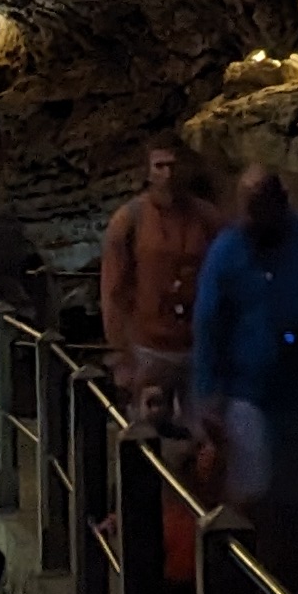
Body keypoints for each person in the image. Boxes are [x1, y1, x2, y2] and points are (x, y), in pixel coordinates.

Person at [191, 164, 298, 593]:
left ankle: (292, 586)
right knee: (251, 492)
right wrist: (208, 391)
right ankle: (249, 582)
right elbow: (210, 322)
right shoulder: (228, 250)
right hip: (248, 391)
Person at [100, 140, 221, 422]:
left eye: (173, 166)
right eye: (160, 166)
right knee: (147, 427)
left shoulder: (208, 219)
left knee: (204, 429)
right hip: (148, 346)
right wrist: (120, 353)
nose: (168, 174)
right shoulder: (129, 220)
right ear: (148, 171)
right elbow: (113, 289)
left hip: (196, 345)